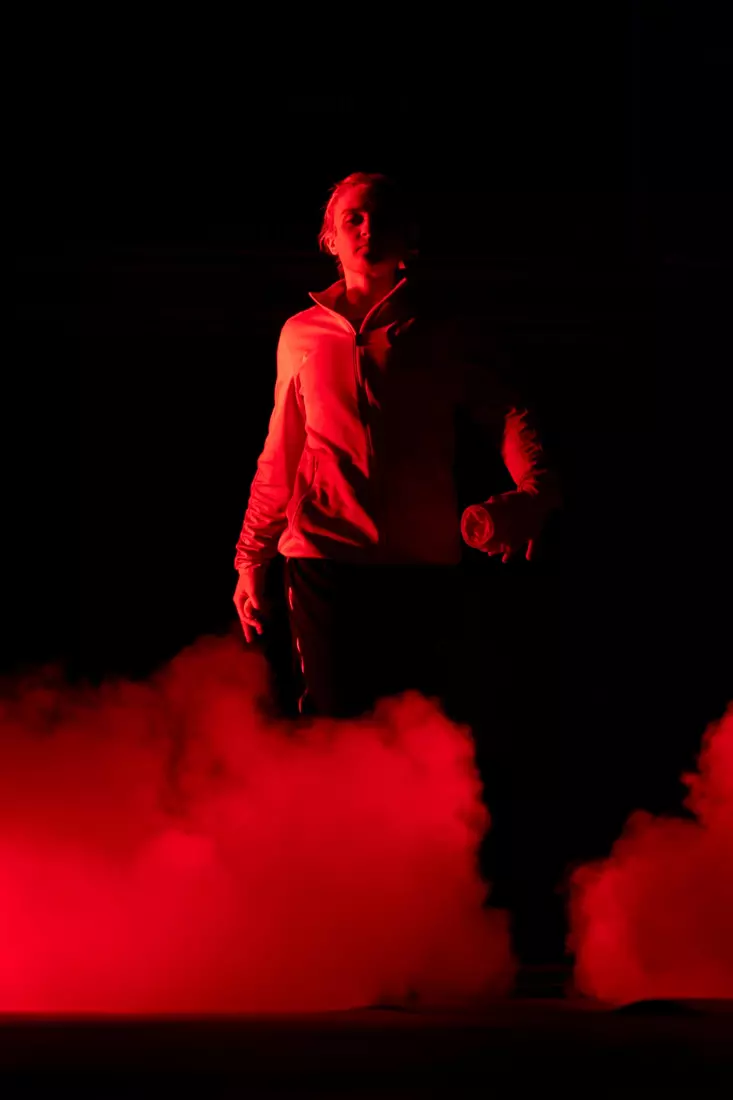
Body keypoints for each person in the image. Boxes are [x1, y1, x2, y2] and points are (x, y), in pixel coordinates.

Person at [233, 172, 560, 721]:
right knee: (334, 730)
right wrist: (250, 559)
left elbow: (505, 411)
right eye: (353, 218)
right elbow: (280, 454)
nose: (367, 228)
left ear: (407, 238)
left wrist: (537, 489)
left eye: (380, 217)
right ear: (330, 239)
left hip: (422, 564)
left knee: (415, 736)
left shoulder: (440, 332)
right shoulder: (302, 335)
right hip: (324, 561)